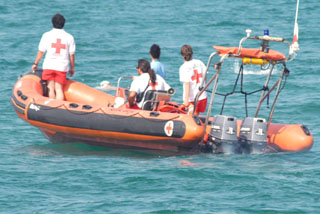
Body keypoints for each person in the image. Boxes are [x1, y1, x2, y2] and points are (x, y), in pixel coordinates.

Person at [32, 13, 76, 100]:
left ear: (52, 23)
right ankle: (59, 108)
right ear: (63, 23)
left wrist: (35, 63)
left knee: (50, 88)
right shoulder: (69, 37)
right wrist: (72, 68)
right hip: (62, 66)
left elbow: (41, 51)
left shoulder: (46, 35)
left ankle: (52, 107)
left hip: (49, 65)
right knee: (59, 89)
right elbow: (71, 54)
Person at [179, 44, 207, 115]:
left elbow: (187, 84)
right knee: (197, 115)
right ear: (192, 53)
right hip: (202, 96)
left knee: (191, 119)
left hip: (192, 99)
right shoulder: (200, 62)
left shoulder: (183, 67)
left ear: (182, 56)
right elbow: (205, 77)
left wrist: (186, 101)